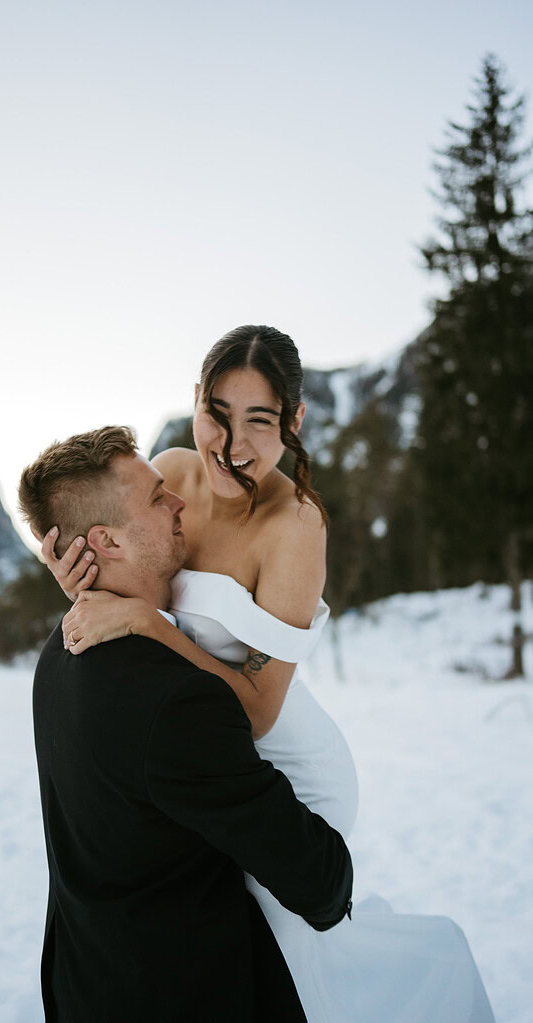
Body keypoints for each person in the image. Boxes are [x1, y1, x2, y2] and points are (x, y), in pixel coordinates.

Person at [44, 325, 496, 1022]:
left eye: (259, 420)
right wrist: (82, 580)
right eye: (216, 415)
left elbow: (254, 708)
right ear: (194, 400)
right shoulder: (172, 472)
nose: (231, 444)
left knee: (296, 962)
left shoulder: (296, 527)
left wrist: (146, 625)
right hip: (205, 750)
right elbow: (135, 576)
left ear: (295, 421)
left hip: (282, 749)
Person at [18, 424, 354, 1023]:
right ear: (108, 542)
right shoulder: (178, 704)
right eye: (155, 498)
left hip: (82, 985)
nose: (178, 500)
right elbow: (320, 882)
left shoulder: (57, 656)